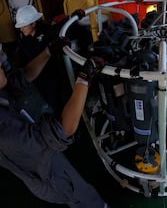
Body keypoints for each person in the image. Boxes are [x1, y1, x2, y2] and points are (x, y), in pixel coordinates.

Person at [0, 45, 107, 207]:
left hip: (42, 156)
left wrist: (48, 50)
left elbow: (22, 78)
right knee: (85, 197)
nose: (2, 66)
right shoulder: (6, 130)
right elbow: (64, 130)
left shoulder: (2, 92)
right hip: (51, 177)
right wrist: (84, 79)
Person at [14, 5, 85, 115]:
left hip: (56, 76)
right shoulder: (24, 42)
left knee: (65, 102)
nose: (21, 29)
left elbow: (61, 28)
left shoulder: (47, 31)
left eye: (23, 26)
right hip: (42, 82)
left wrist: (73, 17)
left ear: (33, 23)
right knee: (53, 105)